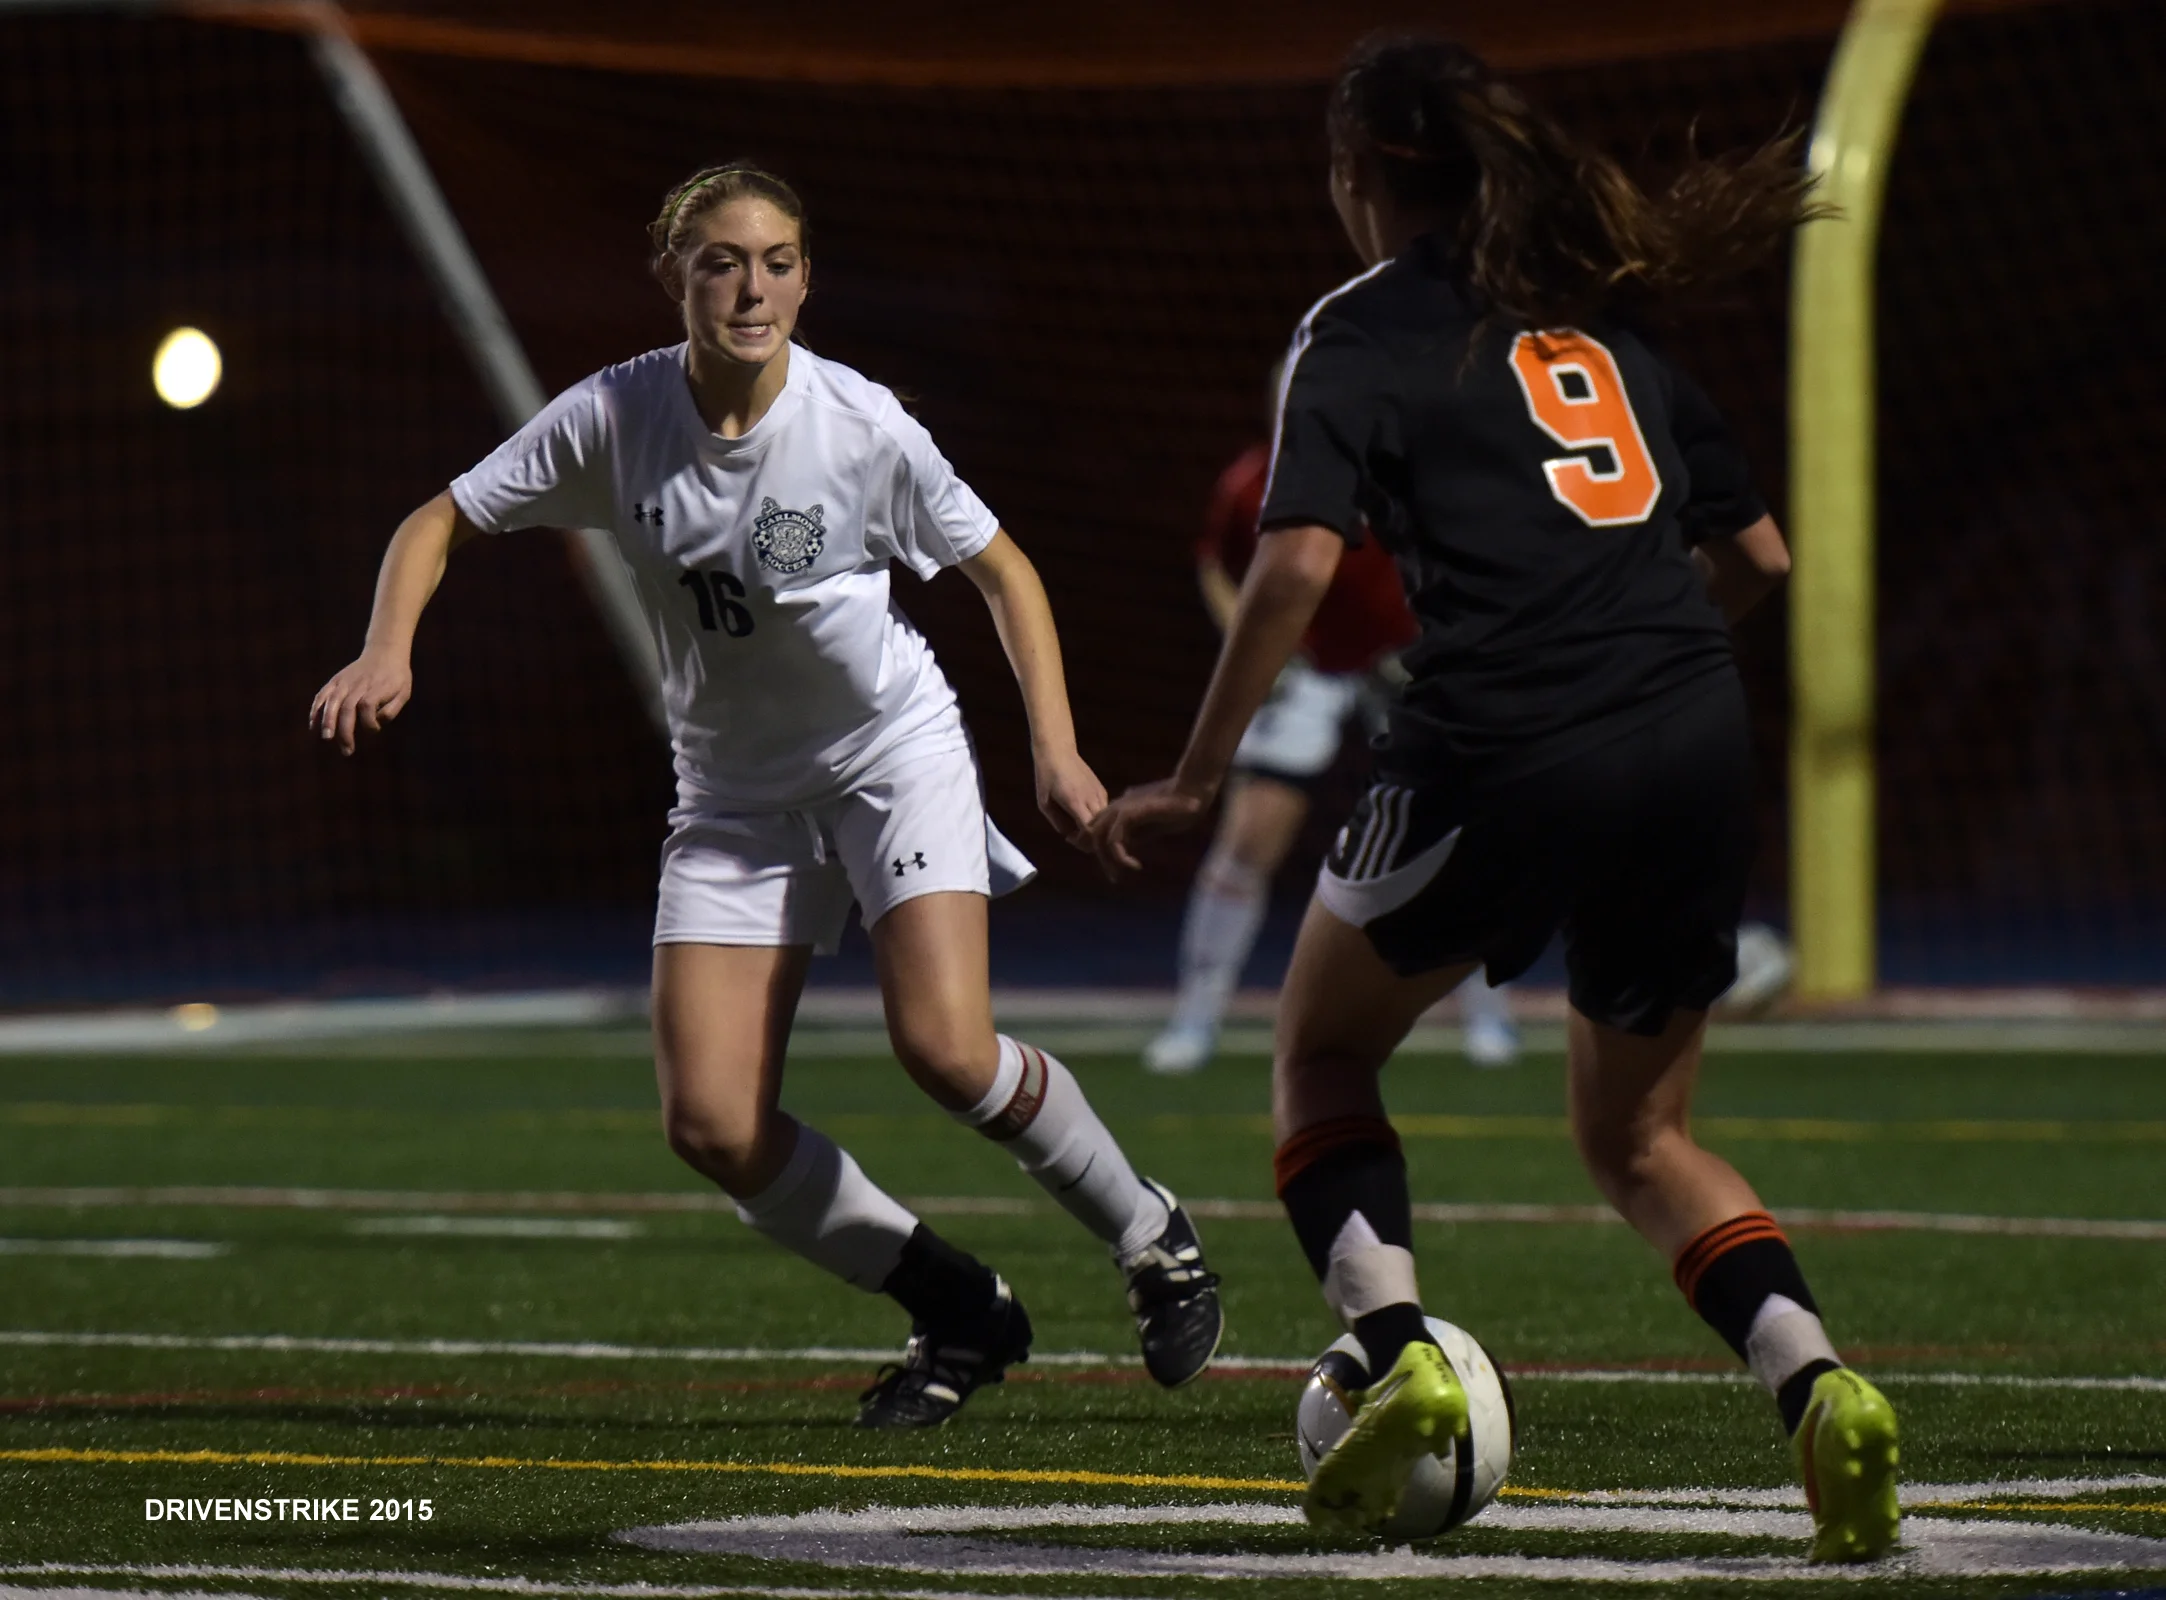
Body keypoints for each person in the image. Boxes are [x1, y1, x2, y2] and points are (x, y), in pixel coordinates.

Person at [1091, 38, 1897, 1561]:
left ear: (1356, 175)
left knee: (1322, 1054)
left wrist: (1198, 771)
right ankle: (1819, 1385)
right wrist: (1632, 671)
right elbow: (1760, 561)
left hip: (1504, 732)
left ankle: (1394, 1355)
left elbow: (1295, 562)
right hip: (1691, 730)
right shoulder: (1599, 330)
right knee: (1641, 1136)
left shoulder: (1353, 327)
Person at [311, 162, 1221, 1426]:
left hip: (887, 755)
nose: (753, 287)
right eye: (723, 261)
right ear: (673, 275)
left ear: (806, 275)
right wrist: (387, 646)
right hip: (735, 798)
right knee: (712, 1123)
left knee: (946, 1048)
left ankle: (1152, 1235)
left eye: (779, 260)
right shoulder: (612, 416)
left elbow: (1007, 575)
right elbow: (437, 519)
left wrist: (1055, 750)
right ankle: (960, 1306)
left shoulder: (860, 424)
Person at [1144, 427, 1521, 1073]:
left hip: (1401, 659)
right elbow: (1216, 564)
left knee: (1451, 835)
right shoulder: (1252, 481)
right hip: (1307, 665)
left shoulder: (1411, 472)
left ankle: (1490, 1014)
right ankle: (1195, 1019)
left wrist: (1437, 642)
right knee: (1248, 837)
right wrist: (1255, 640)